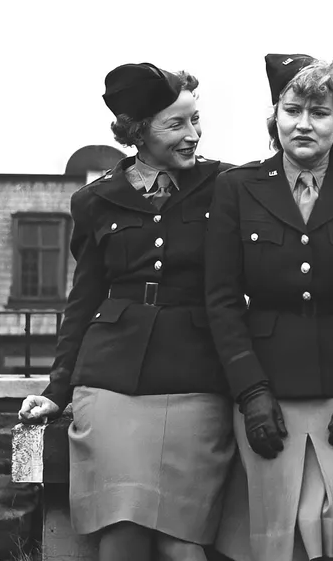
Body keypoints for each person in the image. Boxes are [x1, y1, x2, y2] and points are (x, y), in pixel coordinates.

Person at [17, 63, 233, 561]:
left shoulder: (226, 185)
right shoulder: (94, 200)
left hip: (196, 376)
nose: (193, 135)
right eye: (176, 124)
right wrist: (57, 389)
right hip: (111, 377)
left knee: (183, 542)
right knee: (122, 534)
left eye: (196, 121)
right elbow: (83, 301)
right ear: (138, 130)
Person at [205, 54, 333, 561]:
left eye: (319, 112)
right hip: (266, 385)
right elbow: (221, 299)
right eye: (292, 109)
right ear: (275, 115)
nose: (304, 123)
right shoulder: (236, 188)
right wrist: (250, 393)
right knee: (282, 528)